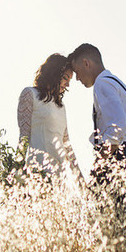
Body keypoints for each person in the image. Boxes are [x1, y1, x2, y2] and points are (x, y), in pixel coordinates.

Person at [68, 43, 126, 216]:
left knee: (113, 227)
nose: (77, 78)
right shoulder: (119, 84)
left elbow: (116, 130)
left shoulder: (102, 84)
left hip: (117, 162)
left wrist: (98, 169)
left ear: (87, 63)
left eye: (77, 72)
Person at [17, 54, 82, 182]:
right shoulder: (30, 94)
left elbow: (66, 145)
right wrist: (17, 170)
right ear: (54, 74)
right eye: (65, 78)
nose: (67, 85)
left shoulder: (61, 106)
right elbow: (24, 136)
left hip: (59, 176)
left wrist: (80, 179)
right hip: (38, 172)